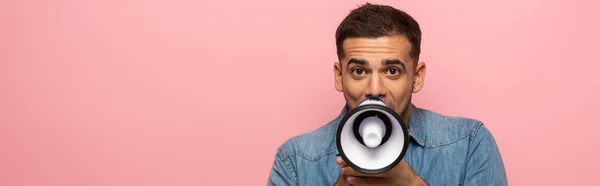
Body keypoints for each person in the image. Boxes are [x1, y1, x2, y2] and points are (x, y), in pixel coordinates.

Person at [267, 3, 507, 186]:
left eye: (392, 71)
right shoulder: (296, 159)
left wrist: (412, 184)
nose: (374, 89)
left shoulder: (469, 144)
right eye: (359, 71)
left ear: (417, 77)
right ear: (340, 77)